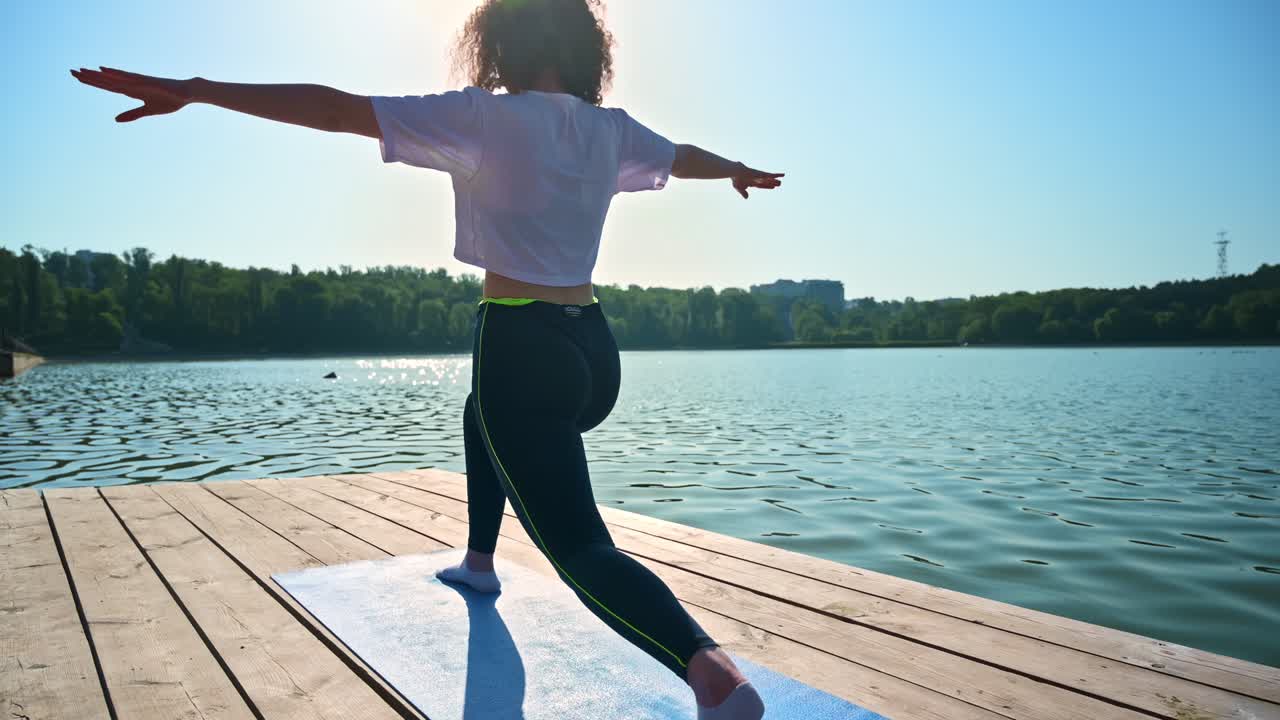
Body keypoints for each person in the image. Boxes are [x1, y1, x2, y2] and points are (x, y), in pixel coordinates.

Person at [72, 1, 781, 717]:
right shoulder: (609, 129)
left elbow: (333, 109)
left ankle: (711, 675)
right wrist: (736, 171)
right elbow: (682, 157)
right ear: (584, 51)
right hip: (594, 351)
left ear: (500, 43)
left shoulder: (484, 117)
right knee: (484, 413)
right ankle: (479, 564)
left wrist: (198, 87)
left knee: (579, 545)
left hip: (521, 344)